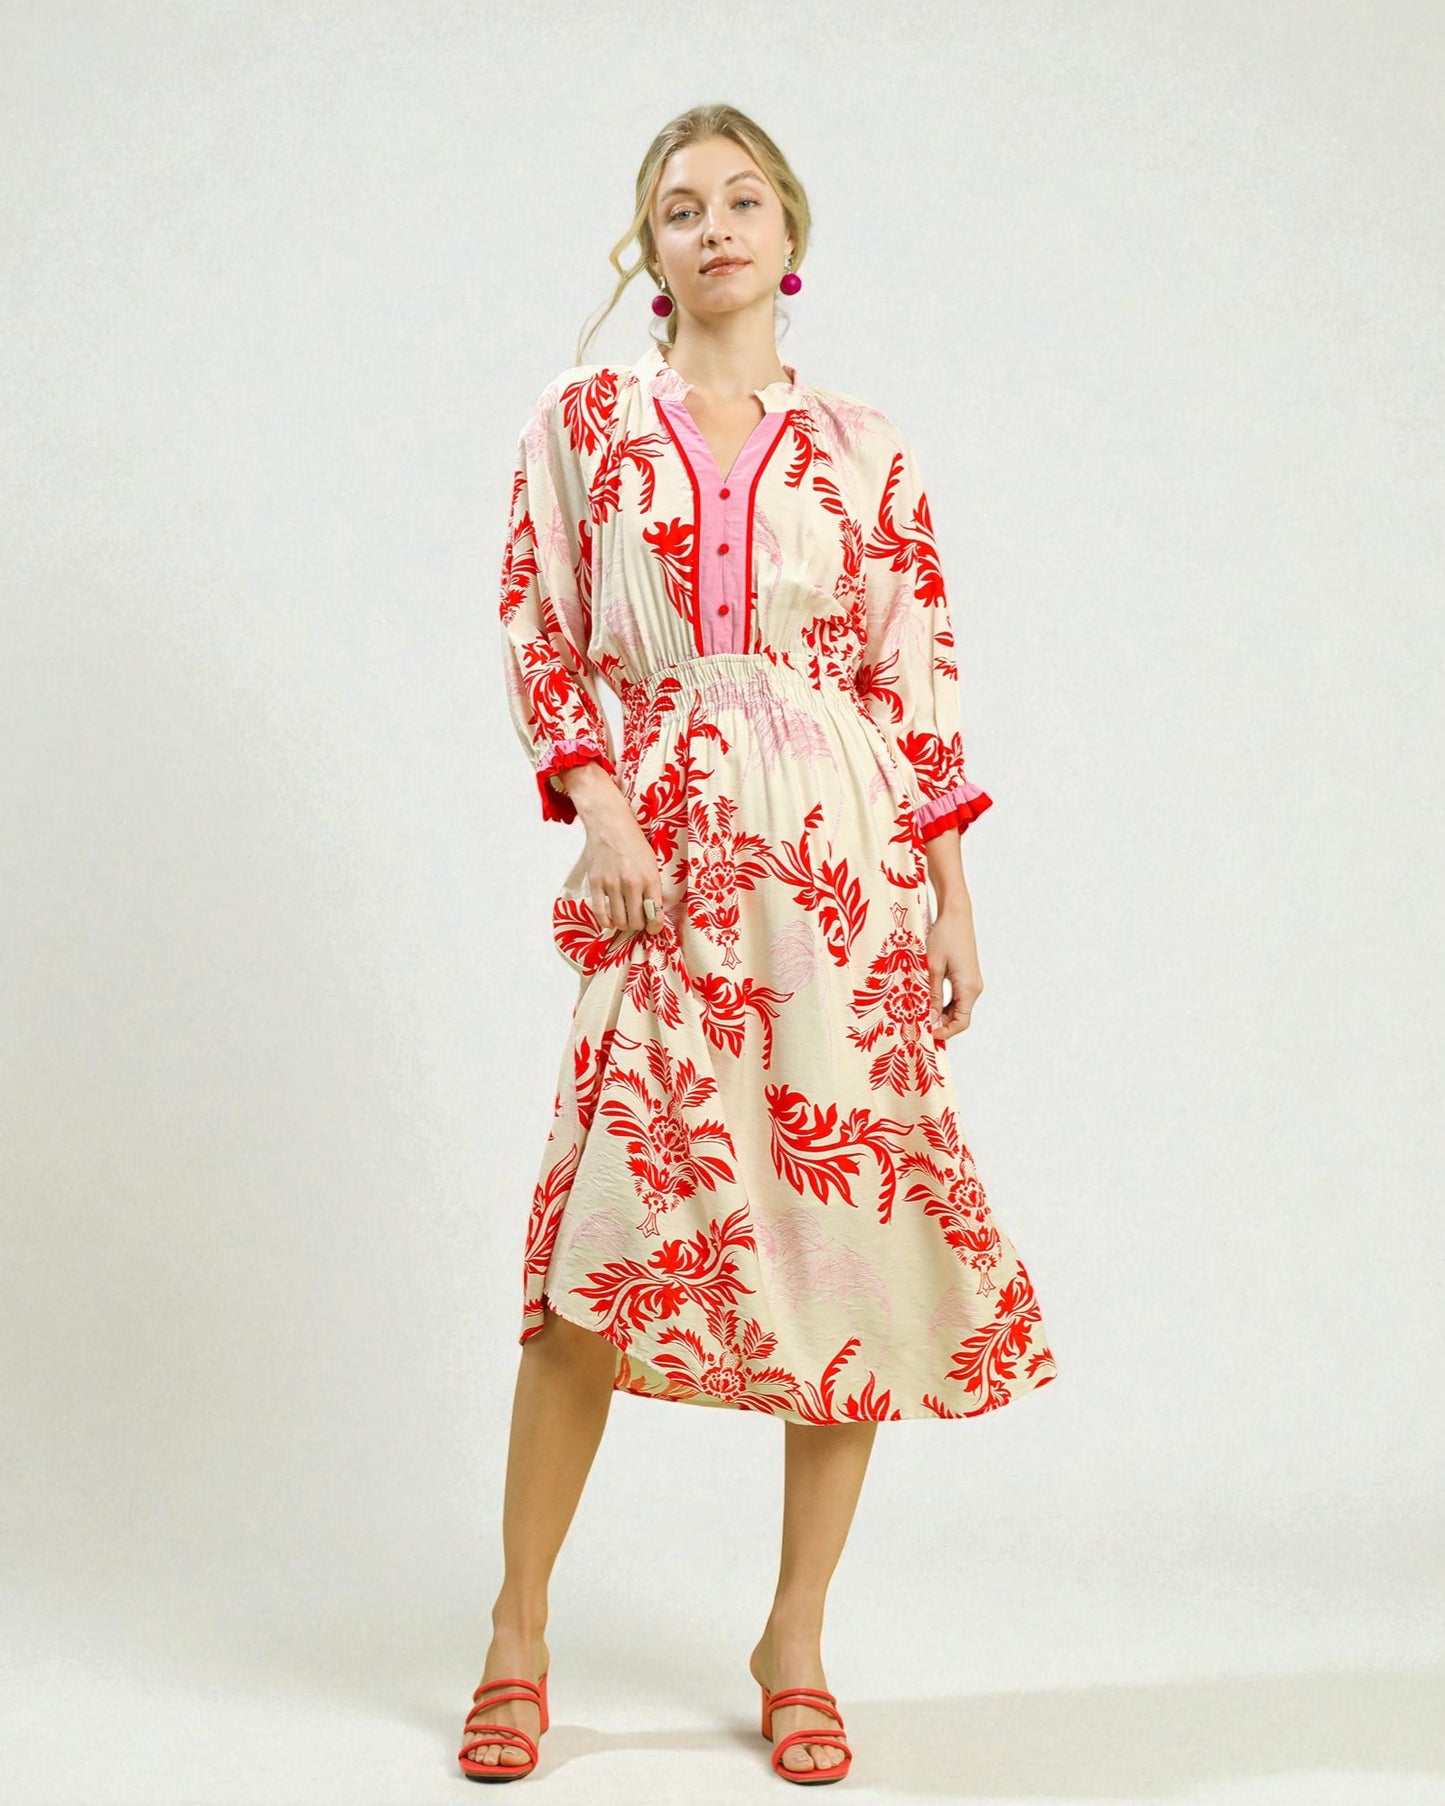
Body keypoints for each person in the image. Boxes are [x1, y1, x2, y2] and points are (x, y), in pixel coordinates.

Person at [461, 103, 1060, 1786]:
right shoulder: (586, 422)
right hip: (663, 865)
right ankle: (517, 1626)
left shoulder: (865, 450)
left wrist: (948, 893)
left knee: (846, 1246)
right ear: (647, 249)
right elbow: (541, 628)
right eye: (679, 207)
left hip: (844, 876)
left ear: (790, 235)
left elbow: (912, 672)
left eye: (740, 201)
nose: (712, 226)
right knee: (600, 1246)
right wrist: (601, 808)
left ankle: (793, 1634)